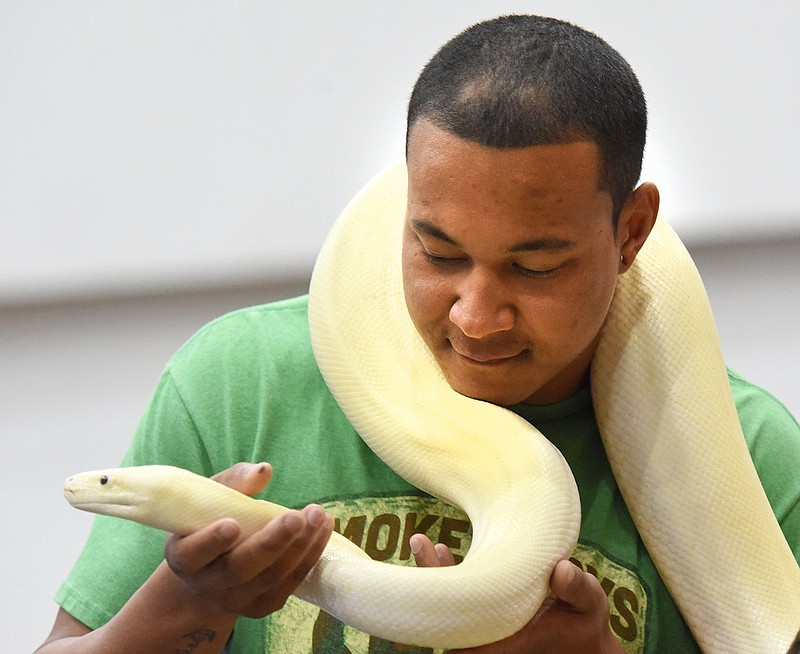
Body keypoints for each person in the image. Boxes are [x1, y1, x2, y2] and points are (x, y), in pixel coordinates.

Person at [36, 14, 800, 654]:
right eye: (438, 254)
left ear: (632, 234)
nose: (475, 315)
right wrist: (182, 605)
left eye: (535, 269)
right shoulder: (241, 384)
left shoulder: (751, 453)